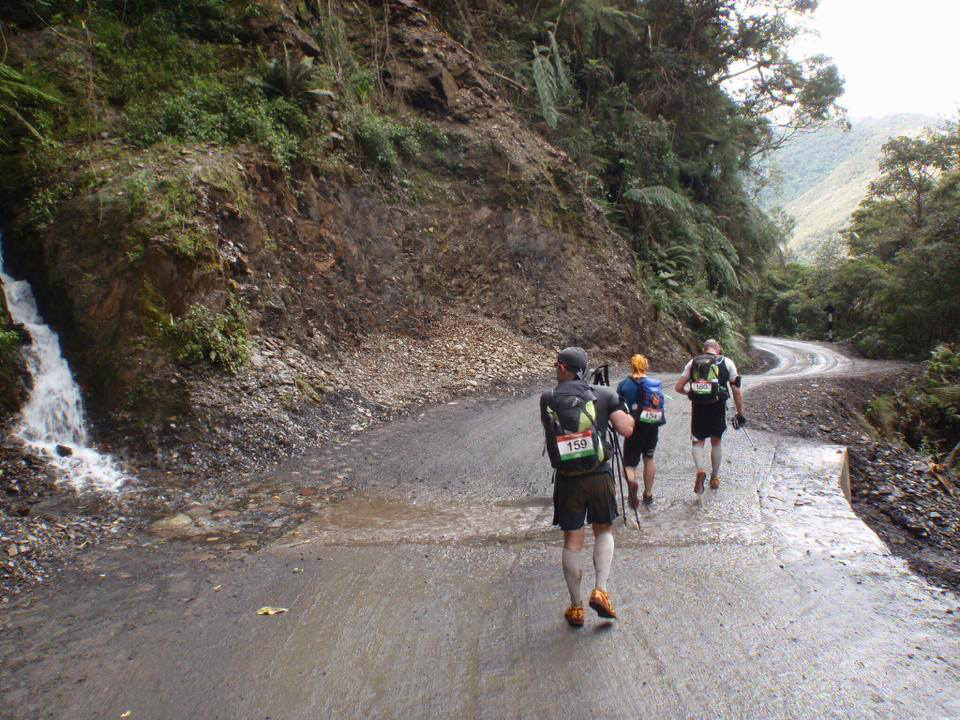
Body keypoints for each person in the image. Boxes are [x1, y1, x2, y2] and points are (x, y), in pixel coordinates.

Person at [541, 346, 635, 627]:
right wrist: (623, 408)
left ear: (563, 368)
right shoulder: (604, 395)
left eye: (556, 365)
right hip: (599, 475)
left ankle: (576, 607)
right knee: (604, 529)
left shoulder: (548, 398)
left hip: (568, 480)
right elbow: (626, 429)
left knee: (572, 541)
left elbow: (549, 429)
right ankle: (601, 590)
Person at [673, 339, 746, 494]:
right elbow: (737, 391)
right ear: (718, 349)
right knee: (716, 441)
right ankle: (714, 477)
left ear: (704, 349)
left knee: (698, 441)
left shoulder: (693, 362)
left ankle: (700, 470)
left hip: (698, 407)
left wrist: (690, 393)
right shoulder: (727, 363)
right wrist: (740, 413)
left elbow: (678, 387)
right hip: (717, 407)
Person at [616, 354, 665, 507]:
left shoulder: (624, 385)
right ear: (646, 366)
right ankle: (648, 494)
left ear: (632, 366)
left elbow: (619, 408)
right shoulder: (655, 384)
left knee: (629, 464)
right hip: (652, 424)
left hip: (633, 427)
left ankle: (632, 484)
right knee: (649, 458)